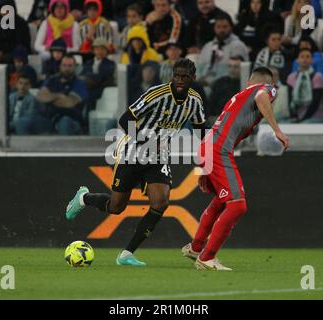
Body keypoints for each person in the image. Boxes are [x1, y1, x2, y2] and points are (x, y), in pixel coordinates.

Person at [65, 58, 206, 266]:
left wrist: (207, 154)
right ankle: (84, 198)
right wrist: (148, 141)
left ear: (193, 78)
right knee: (116, 206)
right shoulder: (156, 94)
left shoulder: (195, 101)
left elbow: (202, 130)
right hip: (133, 151)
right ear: (172, 76)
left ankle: (127, 254)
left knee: (161, 202)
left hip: (158, 157)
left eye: (185, 77)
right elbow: (125, 120)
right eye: (176, 75)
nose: (180, 80)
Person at [182, 67, 289, 270]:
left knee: (222, 201)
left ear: (248, 80)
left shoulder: (238, 97)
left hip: (208, 147)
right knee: (238, 205)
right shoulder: (266, 88)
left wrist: (203, 169)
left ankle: (196, 248)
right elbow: (261, 96)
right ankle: (206, 258)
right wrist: (277, 130)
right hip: (218, 150)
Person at [36, 54, 88, 135]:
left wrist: (49, 98)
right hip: (51, 119)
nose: (67, 68)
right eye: (64, 65)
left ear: (75, 67)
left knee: (64, 122)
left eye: (70, 66)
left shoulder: (80, 83)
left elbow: (68, 103)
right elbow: (40, 96)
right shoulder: (52, 80)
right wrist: (59, 96)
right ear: (60, 66)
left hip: (72, 120)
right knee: (25, 122)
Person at [197, 14, 249, 92]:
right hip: (204, 83)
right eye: (218, 27)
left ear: (231, 27)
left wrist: (213, 82)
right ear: (214, 28)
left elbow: (236, 74)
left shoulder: (238, 46)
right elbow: (199, 68)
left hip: (226, 86)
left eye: (225, 27)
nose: (221, 30)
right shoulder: (208, 46)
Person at [287, 48, 323, 123]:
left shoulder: (318, 77)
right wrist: (295, 116)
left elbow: (316, 102)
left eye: (308, 57)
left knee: (306, 123)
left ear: (312, 60)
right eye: (302, 56)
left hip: (315, 115)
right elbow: (290, 99)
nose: (305, 59)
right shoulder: (291, 77)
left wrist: (303, 119)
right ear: (297, 60)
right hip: (298, 116)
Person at [80, 37, 116, 112]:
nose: (99, 51)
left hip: (101, 92)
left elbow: (101, 77)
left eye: (102, 49)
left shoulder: (110, 64)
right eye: (97, 49)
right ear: (93, 50)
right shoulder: (88, 63)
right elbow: (81, 76)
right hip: (87, 91)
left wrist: (89, 77)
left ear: (106, 51)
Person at [207, 56, 243, 125]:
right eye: (230, 66)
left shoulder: (246, 84)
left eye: (236, 67)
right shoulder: (220, 82)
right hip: (218, 118)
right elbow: (211, 104)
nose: (232, 69)